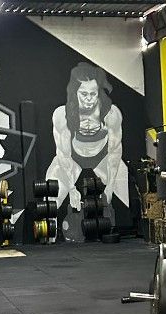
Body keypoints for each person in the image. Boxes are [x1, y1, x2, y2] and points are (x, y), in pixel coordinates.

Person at [46, 63, 129, 212]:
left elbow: (115, 151)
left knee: (123, 198)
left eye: (93, 94)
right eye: (84, 94)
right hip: (72, 158)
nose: (89, 99)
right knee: (49, 201)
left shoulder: (111, 114)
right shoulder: (62, 115)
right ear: (75, 92)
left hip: (103, 158)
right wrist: (71, 188)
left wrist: (110, 186)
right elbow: (63, 154)